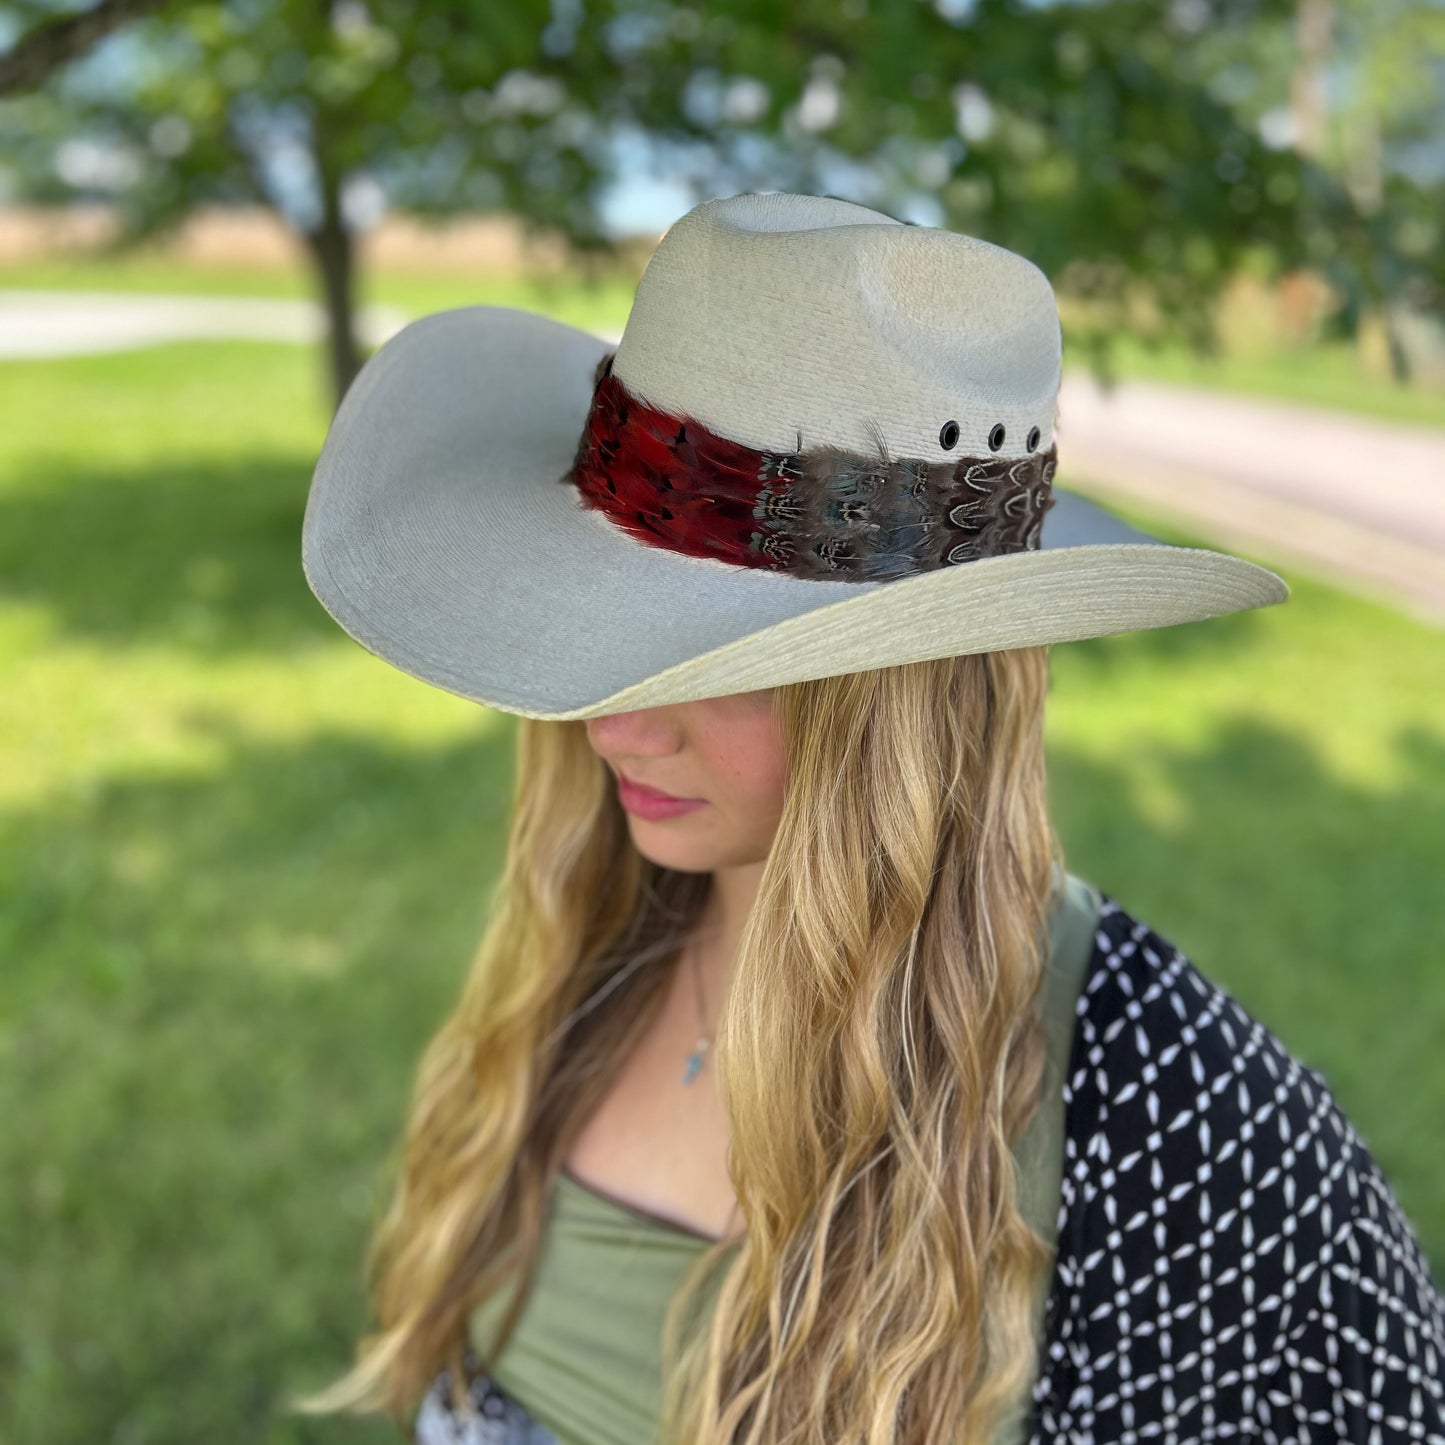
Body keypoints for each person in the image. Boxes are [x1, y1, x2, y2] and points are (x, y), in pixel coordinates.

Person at [293, 193, 1445, 1444]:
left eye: (706, 661)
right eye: (609, 628)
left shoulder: (1172, 1117)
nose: (613, 725)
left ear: (903, 697)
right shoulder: (607, 926)